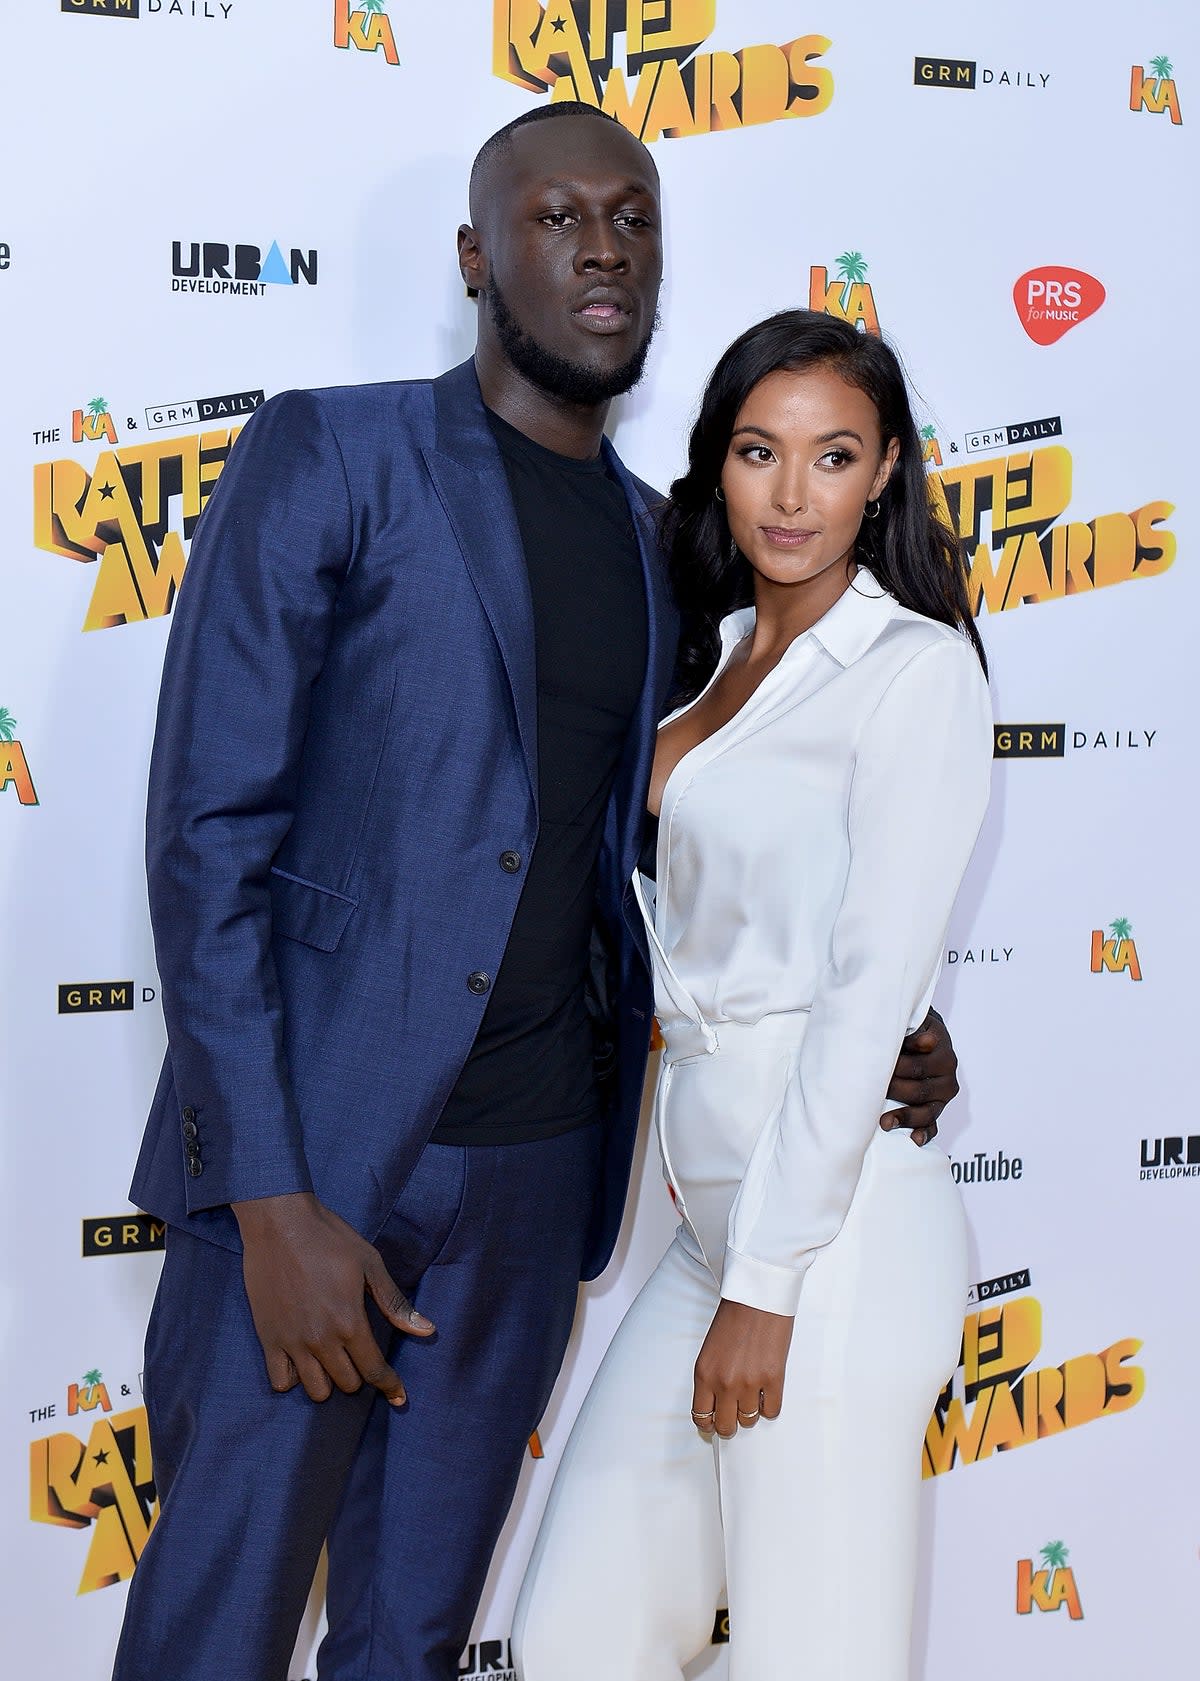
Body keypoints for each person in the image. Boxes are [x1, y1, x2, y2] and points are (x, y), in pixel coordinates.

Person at [113, 109, 961, 1681]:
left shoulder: (664, 549)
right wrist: (271, 1198)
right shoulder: (333, 451)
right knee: (213, 1632)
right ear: (475, 256)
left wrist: (894, 1026)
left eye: (632, 218)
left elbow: (683, 847)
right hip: (312, 1181)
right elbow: (204, 836)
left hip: (528, 1187)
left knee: (412, 1640)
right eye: (557, 213)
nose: (601, 247)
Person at [513, 310, 993, 1681]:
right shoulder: (711, 654)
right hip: (708, 1227)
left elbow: (865, 998)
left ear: (886, 468)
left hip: (827, 1238)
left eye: (833, 456)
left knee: (812, 1657)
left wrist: (771, 1285)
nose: (793, 495)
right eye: (758, 452)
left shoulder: (915, 674)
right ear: (716, 463)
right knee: (574, 1639)